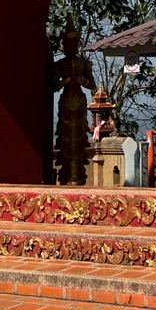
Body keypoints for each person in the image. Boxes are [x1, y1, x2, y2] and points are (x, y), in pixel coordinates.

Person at [52, 15, 96, 185]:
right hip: (65, 103)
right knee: (66, 139)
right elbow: (53, 86)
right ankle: (66, 175)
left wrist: (80, 81)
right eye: (68, 45)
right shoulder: (60, 64)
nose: (71, 47)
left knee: (78, 138)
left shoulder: (83, 63)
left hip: (79, 102)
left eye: (73, 44)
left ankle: (78, 175)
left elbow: (92, 84)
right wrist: (67, 81)